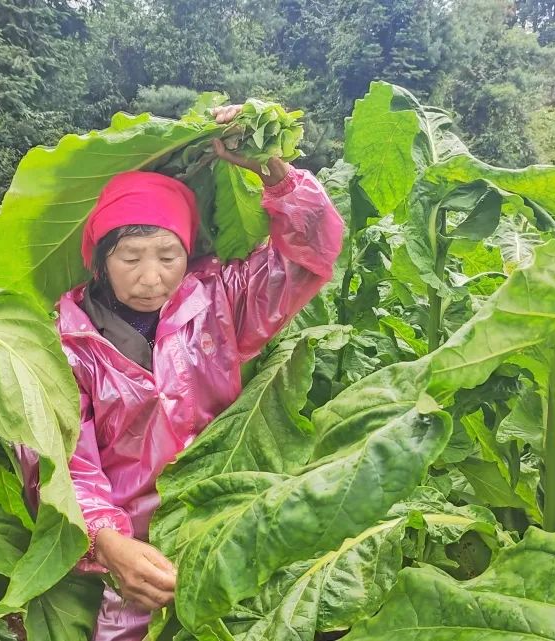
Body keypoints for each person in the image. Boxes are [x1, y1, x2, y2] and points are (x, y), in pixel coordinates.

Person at [50, 105, 343, 640]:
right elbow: (63, 463)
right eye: (129, 257)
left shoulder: (218, 301)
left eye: (168, 255)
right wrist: (108, 544)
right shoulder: (68, 344)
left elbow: (311, 254)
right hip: (132, 554)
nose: (150, 277)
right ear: (99, 259)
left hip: (223, 523)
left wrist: (268, 165)